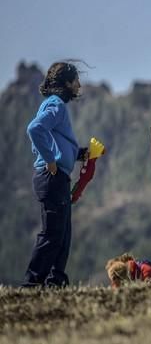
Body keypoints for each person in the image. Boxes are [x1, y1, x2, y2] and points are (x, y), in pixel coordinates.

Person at [23, 61, 88, 288]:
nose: (79, 85)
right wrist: (50, 160)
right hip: (52, 176)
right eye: (76, 80)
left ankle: (55, 283)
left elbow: (58, 142)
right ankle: (32, 284)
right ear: (67, 83)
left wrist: (82, 153)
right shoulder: (57, 104)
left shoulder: (53, 104)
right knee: (52, 234)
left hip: (56, 176)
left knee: (62, 235)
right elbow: (35, 128)